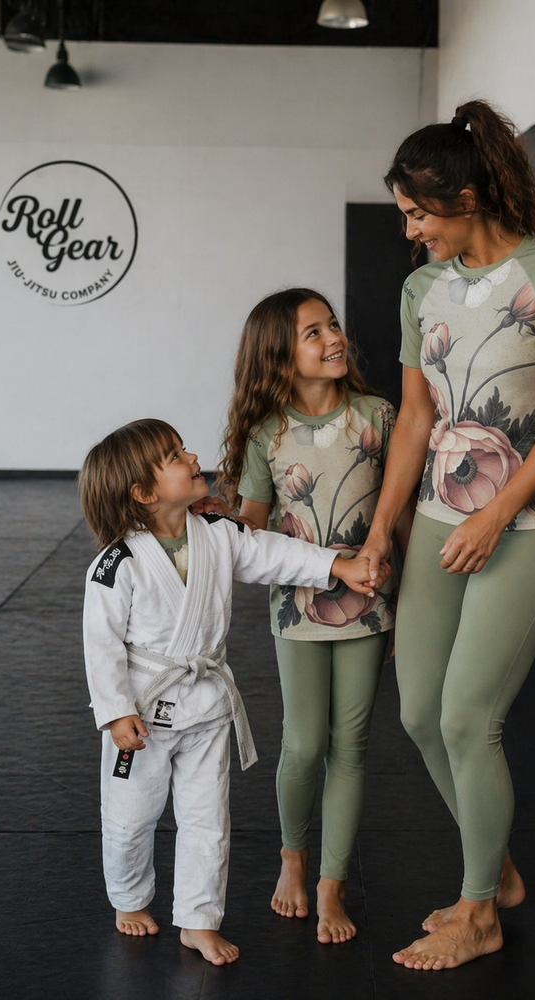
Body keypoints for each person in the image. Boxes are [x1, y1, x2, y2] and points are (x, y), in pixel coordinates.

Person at [360, 100, 535, 970]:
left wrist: (497, 514)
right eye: (404, 216)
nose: (411, 231)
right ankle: (492, 868)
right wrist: (384, 531)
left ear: (466, 197)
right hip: (436, 518)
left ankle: (479, 912)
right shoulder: (420, 288)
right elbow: (416, 420)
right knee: (420, 711)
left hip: (528, 521)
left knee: (469, 718)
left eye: (419, 214)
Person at [79, 418, 387, 965]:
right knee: (131, 815)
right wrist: (114, 712)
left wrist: (335, 565)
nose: (191, 455)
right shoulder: (116, 565)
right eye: (174, 455)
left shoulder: (219, 533)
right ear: (145, 494)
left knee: (208, 820)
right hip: (142, 714)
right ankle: (128, 898)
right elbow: (100, 645)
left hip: (205, 706)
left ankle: (197, 919)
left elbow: (273, 553)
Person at [215, 288, 410, 945]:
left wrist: (404, 604)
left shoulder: (380, 417)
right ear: (279, 356)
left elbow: (401, 518)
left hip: (369, 603)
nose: (333, 337)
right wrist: (219, 519)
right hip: (297, 610)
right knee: (303, 744)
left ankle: (332, 884)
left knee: (350, 748)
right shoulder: (267, 434)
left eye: (333, 324)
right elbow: (254, 534)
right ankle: (292, 860)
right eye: (312, 332)